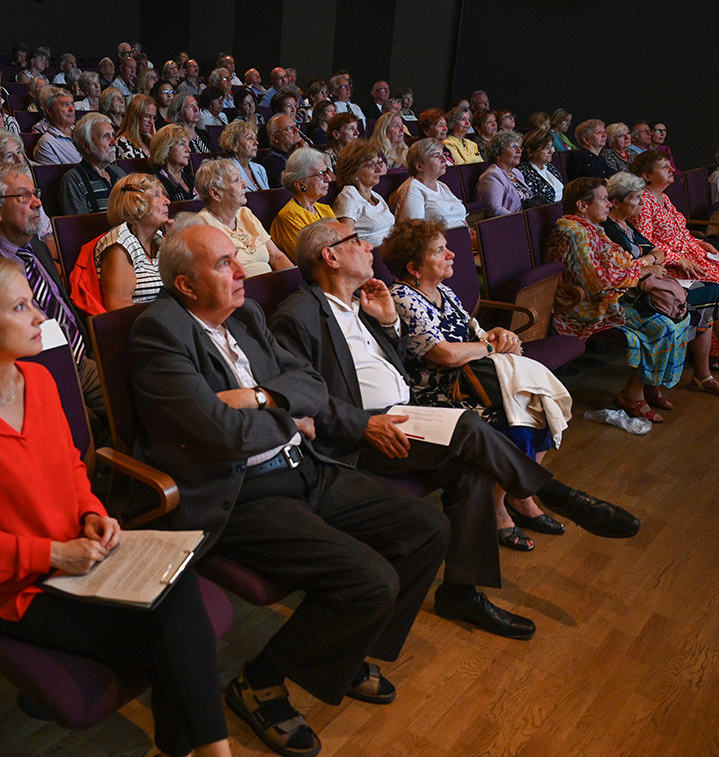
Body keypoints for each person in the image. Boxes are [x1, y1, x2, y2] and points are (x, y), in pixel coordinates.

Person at [131, 222, 450, 757]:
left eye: (237, 258)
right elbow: (221, 435)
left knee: (426, 530)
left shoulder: (248, 314)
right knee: (370, 580)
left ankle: (344, 652)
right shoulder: (160, 332)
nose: (241, 271)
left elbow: (311, 385)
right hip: (240, 494)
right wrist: (290, 418)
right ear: (186, 286)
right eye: (224, 264)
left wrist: (259, 398)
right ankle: (260, 682)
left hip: (304, 465)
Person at [0, 253, 232, 757]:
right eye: (21, 307)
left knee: (178, 583)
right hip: (17, 588)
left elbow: (71, 467)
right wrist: (53, 556)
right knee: (172, 634)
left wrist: (91, 513)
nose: (41, 317)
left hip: (82, 561)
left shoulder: (38, 380)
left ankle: (200, 750)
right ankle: (204, 751)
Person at [273, 220, 638, 625]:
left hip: (405, 414)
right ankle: (556, 494)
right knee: (465, 425)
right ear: (331, 255)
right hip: (361, 437)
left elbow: (386, 365)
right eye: (357, 242)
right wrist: (363, 424)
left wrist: (390, 322)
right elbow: (300, 395)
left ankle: (461, 593)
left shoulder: (365, 302)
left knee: (472, 469)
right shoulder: (300, 314)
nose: (368, 248)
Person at [383, 217, 637, 548]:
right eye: (440, 251)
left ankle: (521, 496)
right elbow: (442, 354)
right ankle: (499, 506)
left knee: (538, 407)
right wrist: (490, 347)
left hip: (472, 379)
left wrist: (496, 334)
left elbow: (471, 333)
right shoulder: (402, 296)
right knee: (515, 419)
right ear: (414, 267)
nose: (452, 256)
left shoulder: (441, 289)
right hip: (439, 393)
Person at [0, 164, 105, 423]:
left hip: (80, 359)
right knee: (85, 426)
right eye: (23, 196)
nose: (37, 203)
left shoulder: (37, 247)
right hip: (30, 372)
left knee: (133, 399)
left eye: (35, 194)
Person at [545, 177, 692, 419]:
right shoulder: (573, 232)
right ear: (582, 206)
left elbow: (620, 261)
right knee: (662, 327)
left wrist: (639, 268)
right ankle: (631, 395)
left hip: (611, 295)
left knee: (677, 318)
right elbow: (597, 281)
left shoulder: (590, 228)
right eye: (603, 199)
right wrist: (642, 270)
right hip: (587, 306)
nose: (609, 205)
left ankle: (647, 386)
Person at [605, 172, 719, 402]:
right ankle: (649, 388)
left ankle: (702, 372)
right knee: (688, 308)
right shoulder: (609, 229)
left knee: (710, 292)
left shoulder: (627, 223)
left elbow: (654, 251)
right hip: (632, 293)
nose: (640, 202)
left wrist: (651, 261)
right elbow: (627, 265)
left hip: (654, 279)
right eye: (635, 198)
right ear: (616, 202)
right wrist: (650, 264)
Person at [631, 150, 719, 394]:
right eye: (664, 167)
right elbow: (647, 244)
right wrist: (678, 258)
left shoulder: (664, 198)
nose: (671, 170)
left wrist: (699, 242)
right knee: (715, 287)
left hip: (690, 255)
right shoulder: (644, 202)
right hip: (671, 267)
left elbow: (679, 232)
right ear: (647, 176)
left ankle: (707, 362)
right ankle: (707, 362)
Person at [195, 158, 292, 276]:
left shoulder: (245, 214)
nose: (244, 184)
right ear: (215, 193)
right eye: (236, 180)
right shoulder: (203, 224)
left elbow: (276, 256)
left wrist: (297, 282)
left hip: (271, 286)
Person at [94, 173, 169, 309]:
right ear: (135, 204)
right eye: (157, 195)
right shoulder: (119, 245)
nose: (167, 201)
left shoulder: (159, 239)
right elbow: (120, 313)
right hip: (144, 327)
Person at [270, 148, 337, 262]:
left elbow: (344, 243)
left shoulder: (325, 209)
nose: (328, 179)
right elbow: (312, 259)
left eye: (327, 172)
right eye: (322, 174)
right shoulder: (289, 216)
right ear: (300, 184)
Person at [389, 139, 468, 230]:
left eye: (443, 155)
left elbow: (462, 220)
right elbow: (415, 230)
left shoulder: (442, 186)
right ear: (419, 166)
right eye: (437, 156)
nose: (444, 159)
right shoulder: (413, 190)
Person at [59, 112, 126, 215]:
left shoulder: (119, 173)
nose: (113, 142)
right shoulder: (74, 180)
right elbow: (80, 225)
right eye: (105, 136)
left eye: (113, 135)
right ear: (86, 146)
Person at [333, 140, 395, 247]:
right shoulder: (348, 197)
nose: (379, 169)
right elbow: (346, 241)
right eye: (371, 165)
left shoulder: (375, 195)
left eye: (378, 163)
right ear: (353, 171)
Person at [477, 131, 537, 216]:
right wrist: (523, 219)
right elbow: (495, 210)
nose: (519, 150)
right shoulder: (491, 177)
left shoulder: (516, 173)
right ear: (497, 153)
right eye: (513, 147)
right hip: (512, 223)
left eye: (520, 147)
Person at [32, 88, 82, 166]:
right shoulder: (47, 143)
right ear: (50, 111)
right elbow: (57, 176)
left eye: (72, 104)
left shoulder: (82, 131)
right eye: (65, 104)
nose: (71, 109)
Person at [148, 124, 196, 202]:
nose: (189, 149)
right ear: (166, 149)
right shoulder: (154, 182)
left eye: (188, 145)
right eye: (182, 144)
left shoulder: (191, 179)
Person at [518, 128, 565, 204]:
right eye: (546, 148)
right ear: (530, 151)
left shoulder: (549, 167)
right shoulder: (524, 172)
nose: (551, 151)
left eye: (551, 146)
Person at [219, 120, 269, 192]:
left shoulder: (260, 169)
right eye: (250, 138)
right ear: (234, 145)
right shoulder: (227, 171)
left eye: (255, 138)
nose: (256, 143)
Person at [262, 113, 303, 189]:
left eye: (296, 126)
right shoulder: (272, 162)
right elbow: (294, 188)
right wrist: (302, 156)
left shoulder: (297, 152)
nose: (297, 130)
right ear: (274, 138)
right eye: (290, 128)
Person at [115, 93, 156, 159]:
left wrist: (155, 142)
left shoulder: (150, 142)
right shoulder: (123, 142)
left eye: (153, 117)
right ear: (135, 117)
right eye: (147, 116)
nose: (151, 122)